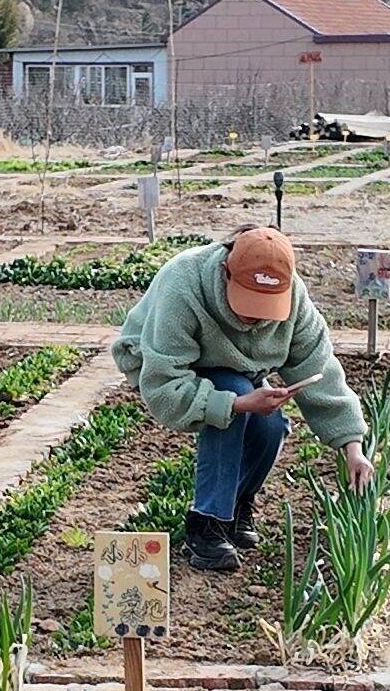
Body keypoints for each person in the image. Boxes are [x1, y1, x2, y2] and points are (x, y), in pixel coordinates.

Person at [112, 225, 372, 571]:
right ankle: (206, 523)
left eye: (267, 305)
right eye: (248, 302)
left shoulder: (295, 299)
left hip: (238, 370)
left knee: (271, 424)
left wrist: (353, 447)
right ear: (225, 273)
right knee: (233, 396)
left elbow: (320, 370)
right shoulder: (185, 282)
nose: (256, 316)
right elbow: (164, 387)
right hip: (164, 363)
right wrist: (236, 405)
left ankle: (236, 506)